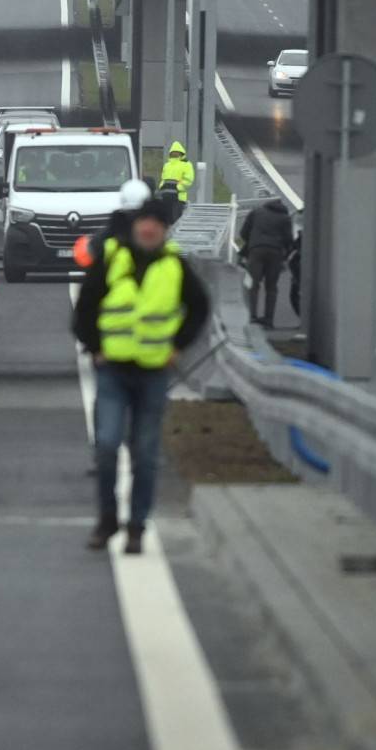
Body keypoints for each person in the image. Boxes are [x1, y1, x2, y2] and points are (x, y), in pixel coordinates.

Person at [72, 198, 211, 555]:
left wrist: (178, 346)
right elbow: (85, 308)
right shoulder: (112, 260)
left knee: (145, 454)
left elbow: (199, 307)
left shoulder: (174, 265)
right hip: (114, 371)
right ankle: (106, 519)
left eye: (156, 224)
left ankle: (136, 525)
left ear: (164, 231)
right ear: (135, 226)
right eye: (144, 222)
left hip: (152, 373)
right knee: (106, 446)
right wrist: (95, 347)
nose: (148, 229)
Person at [237, 196, 294, 327]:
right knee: (271, 287)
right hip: (275, 252)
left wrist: (253, 241)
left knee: (253, 284)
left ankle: (251, 316)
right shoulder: (285, 218)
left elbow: (243, 232)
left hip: (256, 250)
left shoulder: (256, 212)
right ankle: (268, 320)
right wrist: (285, 255)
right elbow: (288, 239)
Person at [159, 142, 195, 221]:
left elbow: (188, 180)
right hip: (166, 197)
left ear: (181, 153)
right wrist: (161, 188)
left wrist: (177, 188)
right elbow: (163, 179)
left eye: (177, 152)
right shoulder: (167, 165)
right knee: (166, 221)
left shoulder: (186, 164)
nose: (175, 154)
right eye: (173, 152)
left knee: (176, 220)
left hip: (179, 198)